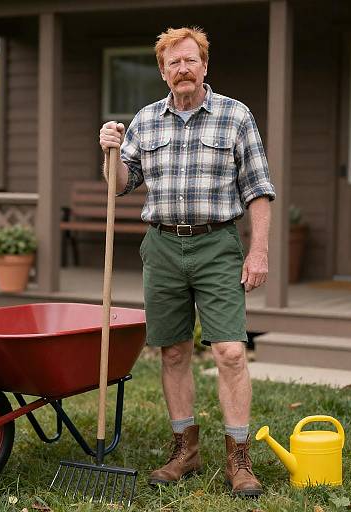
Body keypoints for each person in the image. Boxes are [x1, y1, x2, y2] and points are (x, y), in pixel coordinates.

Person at [99, 26, 275, 497]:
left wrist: (258, 251)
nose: (182, 69)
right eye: (173, 62)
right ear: (162, 71)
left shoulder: (236, 116)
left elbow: (258, 189)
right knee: (173, 350)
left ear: (204, 66)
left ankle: (238, 459)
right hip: (162, 246)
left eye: (190, 60)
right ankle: (185, 450)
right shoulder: (146, 120)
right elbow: (120, 184)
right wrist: (111, 151)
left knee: (230, 352)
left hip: (217, 245)